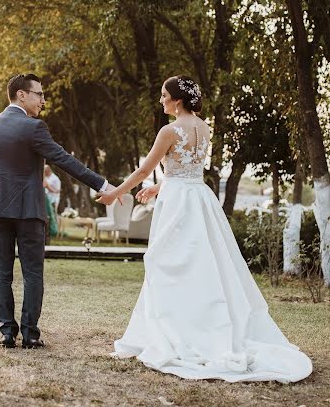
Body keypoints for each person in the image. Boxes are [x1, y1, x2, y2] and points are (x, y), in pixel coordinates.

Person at [97, 75, 312, 383]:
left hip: (179, 204)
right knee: (201, 264)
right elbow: (186, 170)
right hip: (198, 197)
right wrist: (159, 187)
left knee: (168, 262)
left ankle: (180, 331)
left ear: (177, 101)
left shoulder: (169, 130)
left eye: (163, 96)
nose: (161, 101)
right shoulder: (204, 127)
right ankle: (193, 322)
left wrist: (117, 192)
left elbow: (145, 168)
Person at [0, 74, 115, 349]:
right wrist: (102, 183)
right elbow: (64, 159)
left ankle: (7, 333)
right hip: (28, 211)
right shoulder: (33, 128)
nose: (43, 100)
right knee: (32, 274)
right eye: (38, 94)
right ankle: (29, 334)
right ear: (21, 95)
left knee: (1, 274)